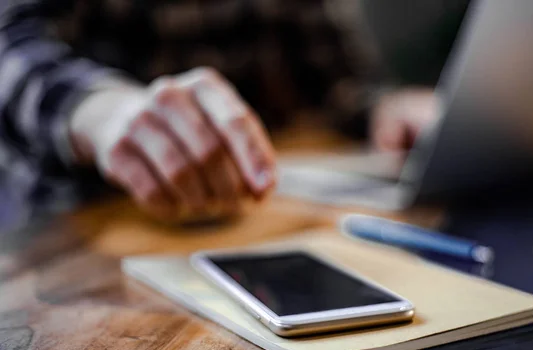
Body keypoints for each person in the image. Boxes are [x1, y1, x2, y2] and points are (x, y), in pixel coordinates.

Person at [0, 0, 462, 224]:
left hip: (255, 223)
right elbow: (10, 44)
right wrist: (99, 110)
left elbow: (337, 82)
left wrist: (388, 107)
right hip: (68, 236)